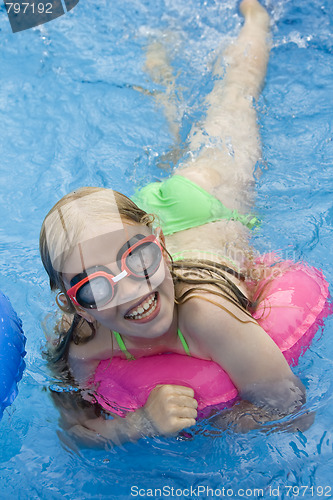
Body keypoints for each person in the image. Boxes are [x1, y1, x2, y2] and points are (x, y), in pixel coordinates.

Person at [40, 0, 306, 447]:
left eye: (139, 262)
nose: (132, 289)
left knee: (233, 99)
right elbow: (73, 433)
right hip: (125, 226)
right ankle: (159, 58)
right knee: (179, 127)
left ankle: (255, 17)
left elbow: (290, 409)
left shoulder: (205, 316)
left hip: (208, 198)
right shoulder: (81, 344)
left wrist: (207, 426)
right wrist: (137, 425)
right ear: (75, 305)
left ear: (157, 243)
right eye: (96, 287)